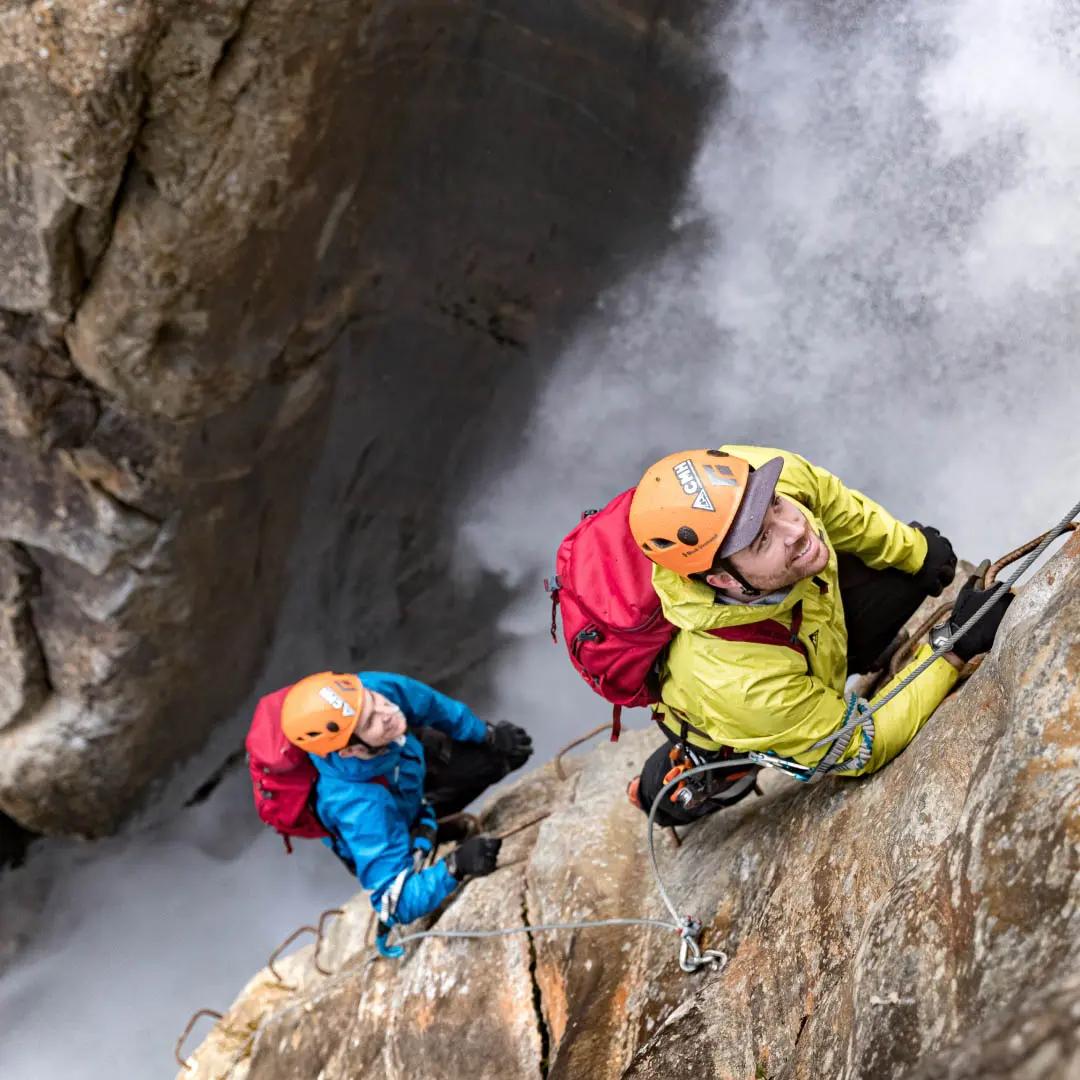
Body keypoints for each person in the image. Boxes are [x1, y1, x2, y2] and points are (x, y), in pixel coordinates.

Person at [625, 445, 1013, 826]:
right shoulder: (739, 685)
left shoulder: (750, 478)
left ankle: (855, 654)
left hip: (806, 624)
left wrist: (911, 550)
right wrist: (952, 647)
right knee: (714, 778)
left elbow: (827, 497)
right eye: (762, 540)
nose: (796, 528)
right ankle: (652, 794)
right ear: (723, 580)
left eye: (776, 504)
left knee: (916, 570)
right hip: (745, 709)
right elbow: (861, 742)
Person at [280, 670, 532, 930]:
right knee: (406, 846)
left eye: (374, 700)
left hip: (406, 763)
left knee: (504, 754)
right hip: (392, 808)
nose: (386, 711)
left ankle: (433, 821)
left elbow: (431, 704)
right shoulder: (359, 806)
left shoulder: (364, 694)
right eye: (370, 722)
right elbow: (393, 904)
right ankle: (428, 827)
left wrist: (486, 734)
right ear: (350, 750)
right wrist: (454, 866)